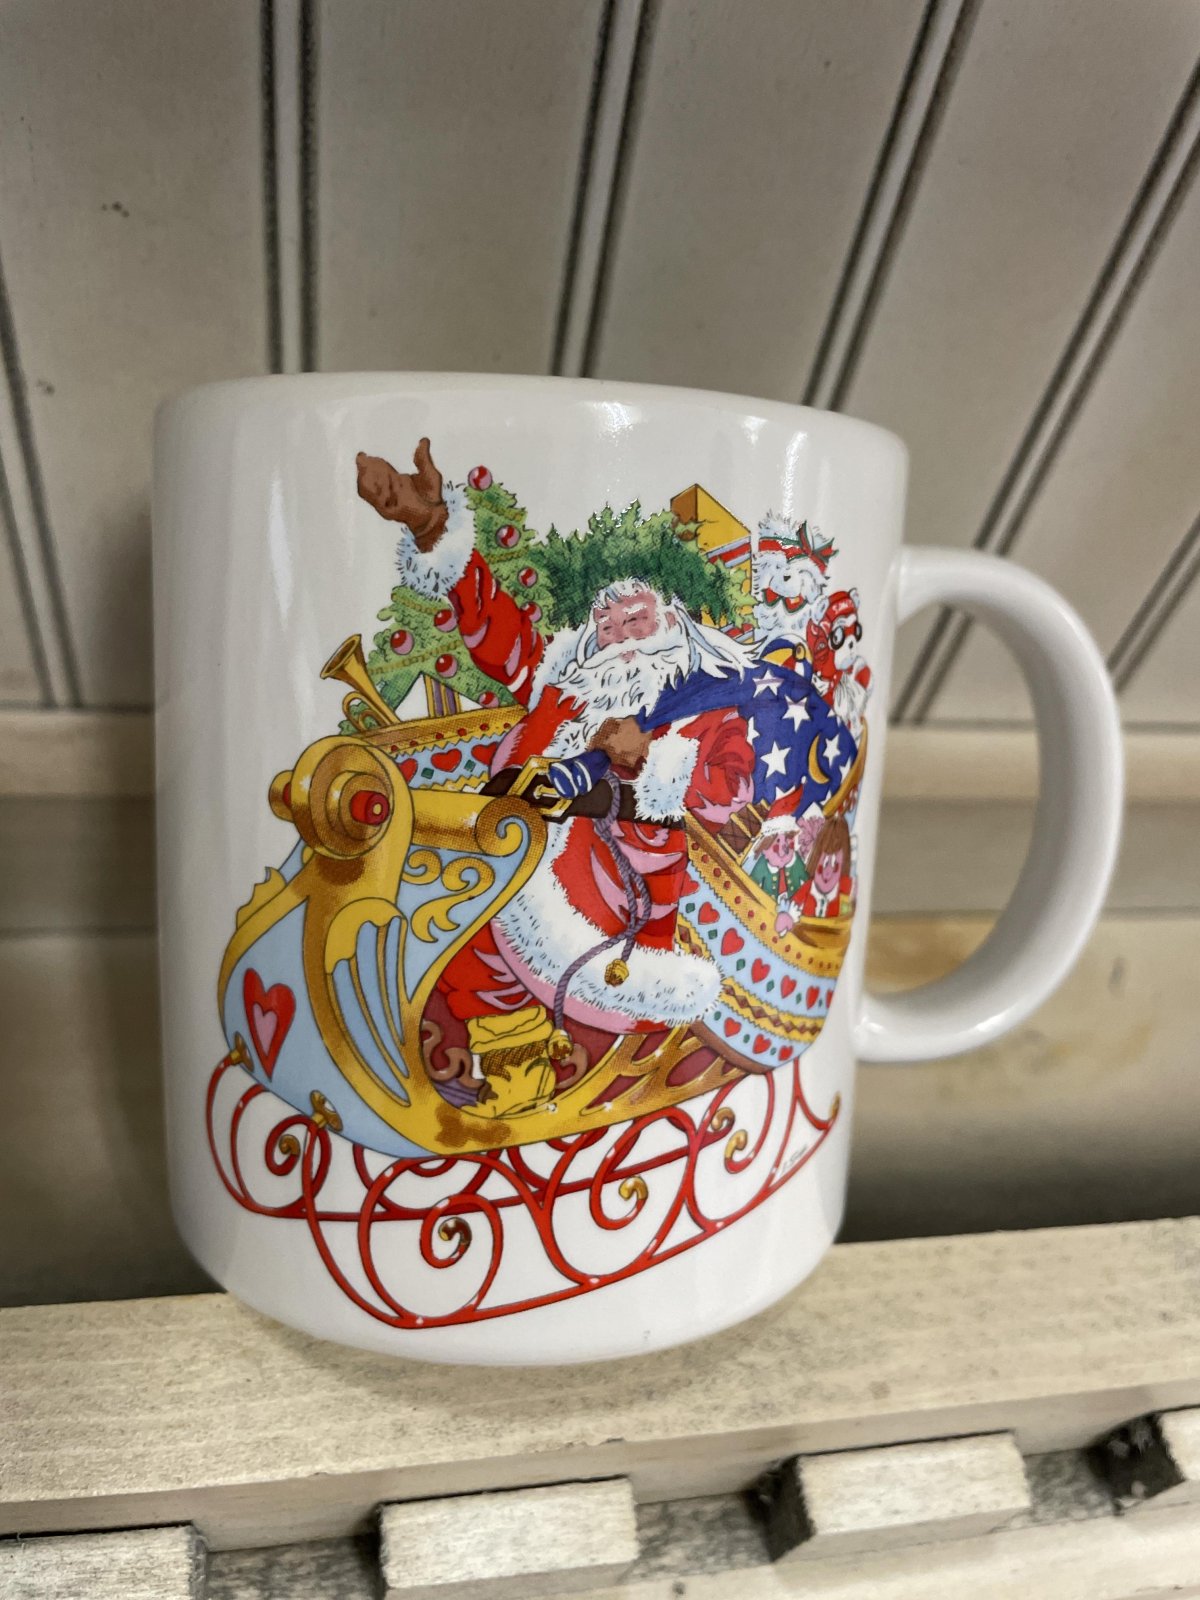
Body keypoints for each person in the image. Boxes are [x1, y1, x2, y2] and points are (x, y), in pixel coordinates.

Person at [356, 440, 756, 1113]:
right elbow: (493, 625)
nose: (621, 635)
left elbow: (732, 791)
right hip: (505, 873)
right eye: (607, 621)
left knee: (567, 995)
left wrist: (648, 758)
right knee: (460, 959)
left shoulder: (707, 704)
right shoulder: (564, 685)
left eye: (637, 618)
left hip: (612, 901)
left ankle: (569, 1102)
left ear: (674, 619)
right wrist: (431, 526)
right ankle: (495, 1095)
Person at [795, 815, 854, 920]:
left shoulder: (844, 892)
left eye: (835, 867)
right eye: (824, 865)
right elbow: (790, 909)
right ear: (815, 861)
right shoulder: (807, 888)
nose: (828, 872)